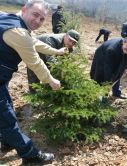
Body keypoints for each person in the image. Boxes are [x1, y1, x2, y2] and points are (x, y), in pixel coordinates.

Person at [0, 0, 67, 164]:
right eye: (35, 15)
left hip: (1, 79)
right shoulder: (18, 32)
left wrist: (57, 51)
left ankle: (7, 140)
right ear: (24, 10)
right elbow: (35, 62)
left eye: (42, 18)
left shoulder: (9, 18)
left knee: (6, 108)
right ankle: (30, 155)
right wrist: (51, 80)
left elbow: (34, 42)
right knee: (7, 118)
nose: (37, 21)